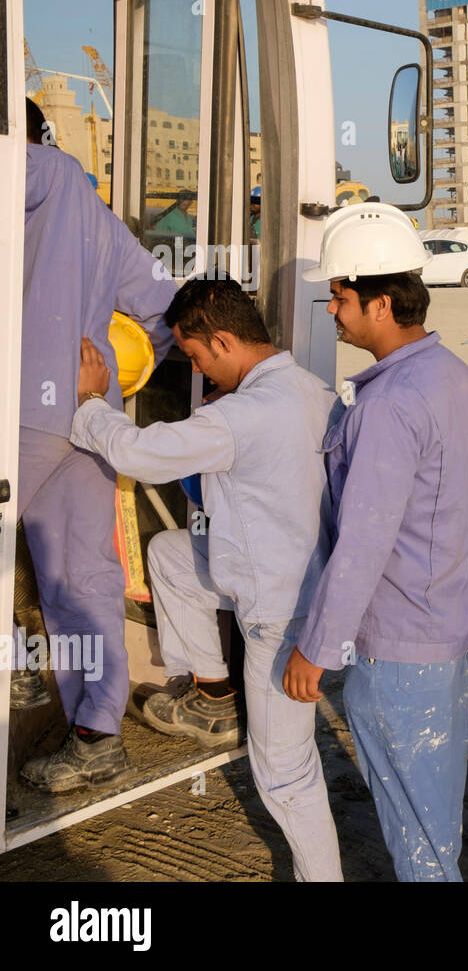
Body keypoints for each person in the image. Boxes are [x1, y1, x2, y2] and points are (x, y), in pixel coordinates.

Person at [69, 278, 341, 879]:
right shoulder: (314, 391)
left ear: (221, 340)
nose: (198, 372)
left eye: (195, 358)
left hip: (278, 614)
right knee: (170, 554)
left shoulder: (245, 414)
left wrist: (91, 405)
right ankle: (213, 696)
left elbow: (139, 454)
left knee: (286, 776)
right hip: (291, 576)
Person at [284, 203, 468, 882]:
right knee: (433, 823)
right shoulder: (449, 376)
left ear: (378, 302)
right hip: (443, 633)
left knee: (418, 840)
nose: (333, 311)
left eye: (339, 296)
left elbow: (364, 543)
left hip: (399, 651)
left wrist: (317, 645)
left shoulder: (388, 403)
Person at [17, 97, 177, 789]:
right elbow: (167, 309)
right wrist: (122, 371)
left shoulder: (29, 171)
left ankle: (17, 670)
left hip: (17, 414)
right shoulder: (98, 217)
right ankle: (96, 733)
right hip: (83, 416)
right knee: (85, 576)